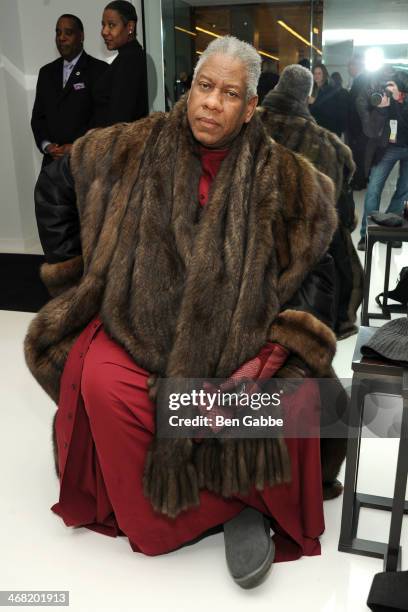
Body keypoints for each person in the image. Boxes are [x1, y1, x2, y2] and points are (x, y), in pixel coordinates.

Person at [25, 36, 340, 590]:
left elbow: (322, 272)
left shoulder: (291, 179)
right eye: (204, 86)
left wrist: (273, 350)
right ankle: (238, 503)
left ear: (249, 109)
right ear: (188, 89)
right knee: (105, 399)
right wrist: (79, 274)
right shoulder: (132, 145)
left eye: (229, 94)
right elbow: (54, 183)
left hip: (234, 346)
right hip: (138, 333)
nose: (211, 103)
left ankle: (239, 494)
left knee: (293, 403)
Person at [261, 64, 363, 340]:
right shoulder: (326, 145)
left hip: (251, 246)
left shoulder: (247, 126)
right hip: (303, 260)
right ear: (308, 97)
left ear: (277, 88)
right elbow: (340, 214)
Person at [31, 14, 107, 167]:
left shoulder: (100, 71)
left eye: (68, 33)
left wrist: (76, 147)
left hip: (86, 165)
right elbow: (38, 118)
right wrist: (47, 146)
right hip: (53, 165)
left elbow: (102, 119)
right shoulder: (46, 72)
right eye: (58, 33)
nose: (61, 38)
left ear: (81, 36)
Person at [357, 72, 408, 251]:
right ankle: (366, 234)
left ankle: (391, 231)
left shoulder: (404, 100)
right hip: (388, 149)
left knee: (403, 192)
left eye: (392, 85)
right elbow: (371, 131)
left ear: (401, 87)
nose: (388, 88)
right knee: (373, 189)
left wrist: (402, 102)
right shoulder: (384, 100)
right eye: (387, 85)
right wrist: (381, 110)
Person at [91, 0, 148, 127]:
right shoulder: (129, 57)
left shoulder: (130, 60)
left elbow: (119, 121)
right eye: (103, 25)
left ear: (130, 27)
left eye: (111, 25)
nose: (104, 31)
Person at [346, 54, 370, 190]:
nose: (349, 68)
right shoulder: (359, 81)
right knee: (359, 155)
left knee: (358, 156)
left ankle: (359, 181)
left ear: (357, 66)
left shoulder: (361, 82)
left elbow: (358, 108)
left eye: (350, 65)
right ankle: (361, 179)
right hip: (359, 127)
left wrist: (355, 129)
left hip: (358, 127)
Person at [309, 62, 342, 136]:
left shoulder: (329, 89)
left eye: (319, 73)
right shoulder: (312, 89)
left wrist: (314, 101)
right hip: (315, 128)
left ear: (324, 74)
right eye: (315, 73)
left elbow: (331, 111)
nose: (316, 76)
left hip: (326, 129)